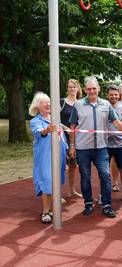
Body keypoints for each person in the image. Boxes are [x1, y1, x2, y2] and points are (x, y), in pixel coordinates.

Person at [69, 76, 122, 218]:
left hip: (101, 148)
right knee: (85, 177)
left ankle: (106, 205)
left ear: (98, 89)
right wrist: (72, 146)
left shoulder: (106, 104)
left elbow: (116, 121)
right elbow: (73, 126)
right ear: (85, 90)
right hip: (83, 148)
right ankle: (88, 203)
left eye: (94, 88)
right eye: (89, 89)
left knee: (105, 176)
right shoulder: (78, 105)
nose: (92, 91)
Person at [29, 92, 67, 224]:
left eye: (49, 102)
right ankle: (45, 212)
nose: (48, 104)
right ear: (37, 106)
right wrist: (47, 130)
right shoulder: (35, 121)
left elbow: (62, 129)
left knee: (56, 181)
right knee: (47, 182)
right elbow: (38, 132)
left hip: (59, 154)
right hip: (45, 156)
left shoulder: (54, 117)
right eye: (45, 102)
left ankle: (51, 209)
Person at [60, 79, 82, 198]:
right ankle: (57, 194)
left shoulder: (81, 103)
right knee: (61, 165)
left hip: (77, 139)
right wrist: (66, 129)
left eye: (74, 86)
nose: (72, 89)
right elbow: (54, 120)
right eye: (69, 87)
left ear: (78, 88)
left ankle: (71, 190)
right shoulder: (61, 102)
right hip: (63, 138)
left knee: (73, 165)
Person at [106, 85, 122, 196]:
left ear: (119, 95)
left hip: (121, 143)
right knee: (104, 171)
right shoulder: (103, 106)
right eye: (111, 95)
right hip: (105, 143)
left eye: (116, 94)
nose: (114, 97)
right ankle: (104, 194)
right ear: (107, 95)